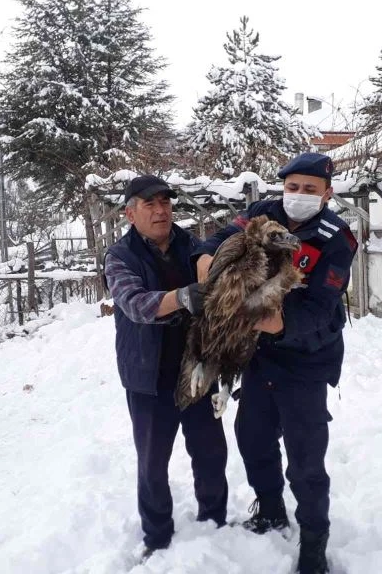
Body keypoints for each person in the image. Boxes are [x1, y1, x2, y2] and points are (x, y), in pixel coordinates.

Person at [193, 153, 358, 574]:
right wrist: (208, 258)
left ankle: (314, 543)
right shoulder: (262, 213)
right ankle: (270, 509)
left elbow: (322, 308)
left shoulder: (337, 238)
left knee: (305, 459)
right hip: (259, 357)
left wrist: (275, 323)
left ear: (327, 193)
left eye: (309, 189)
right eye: (292, 187)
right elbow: (220, 240)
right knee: (252, 438)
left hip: (305, 358)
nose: (298, 195)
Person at [104, 174, 229, 560]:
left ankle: (214, 519)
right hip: (148, 374)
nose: (161, 211)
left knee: (210, 450)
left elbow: (219, 276)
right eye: (150, 205)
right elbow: (135, 304)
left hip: (195, 367)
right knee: (153, 460)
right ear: (130, 213)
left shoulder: (190, 245)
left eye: (165, 203)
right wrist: (186, 296)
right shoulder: (120, 256)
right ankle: (157, 535)